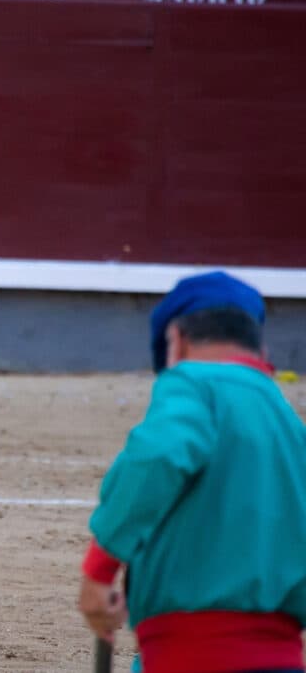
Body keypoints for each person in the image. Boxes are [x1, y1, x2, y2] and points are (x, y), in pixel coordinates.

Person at [78, 270, 306, 673]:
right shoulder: (288, 422)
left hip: (188, 654)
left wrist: (100, 571)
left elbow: (158, 458)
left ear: (177, 342)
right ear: (260, 347)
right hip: (283, 657)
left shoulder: (193, 383)